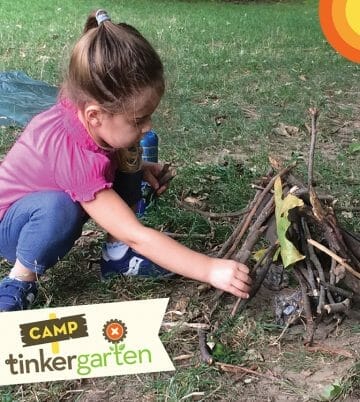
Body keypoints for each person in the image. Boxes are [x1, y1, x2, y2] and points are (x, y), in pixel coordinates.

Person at [0, 9, 251, 312]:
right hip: (15, 226)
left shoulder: (87, 105)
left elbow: (114, 142)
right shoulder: (75, 156)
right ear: (94, 114)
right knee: (59, 209)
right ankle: (19, 279)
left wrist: (137, 169)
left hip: (45, 197)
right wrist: (210, 269)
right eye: (139, 118)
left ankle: (116, 257)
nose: (148, 126)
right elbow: (138, 236)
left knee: (130, 149)